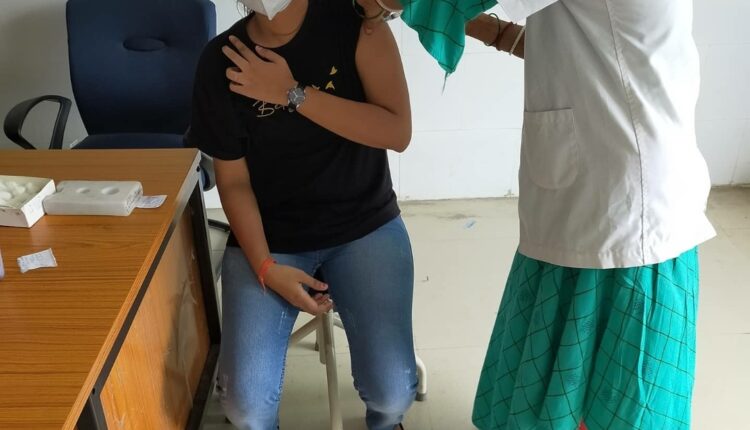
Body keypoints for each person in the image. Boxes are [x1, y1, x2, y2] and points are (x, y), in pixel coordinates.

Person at [359, 0, 715, 429]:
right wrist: (487, 30)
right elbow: (586, 42)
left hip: (621, 203)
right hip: (620, 183)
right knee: (576, 373)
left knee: (608, 391)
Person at [187, 0, 415, 428]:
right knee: (246, 407)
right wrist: (265, 266)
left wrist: (291, 94)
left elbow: (397, 132)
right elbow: (233, 182)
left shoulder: (359, 24)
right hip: (272, 237)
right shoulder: (222, 59)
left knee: (392, 392)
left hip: (363, 224)